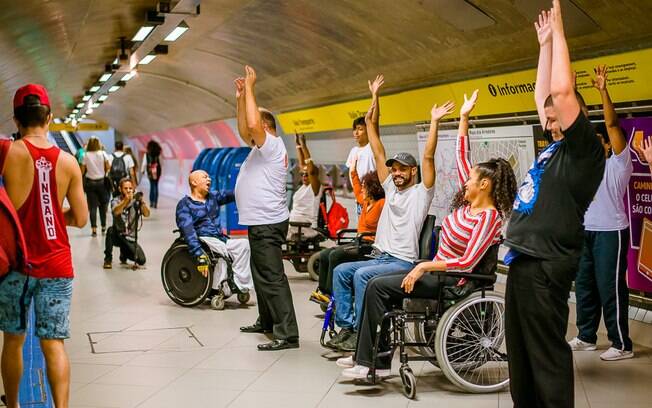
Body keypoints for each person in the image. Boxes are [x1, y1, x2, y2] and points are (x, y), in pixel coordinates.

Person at [339, 90, 518, 379]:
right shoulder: (470, 202)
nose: (466, 180)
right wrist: (463, 116)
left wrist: (423, 265)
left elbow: (468, 262)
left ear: (484, 185)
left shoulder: (488, 218)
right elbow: (462, 156)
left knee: (377, 287)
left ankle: (372, 363)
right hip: (436, 274)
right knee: (375, 286)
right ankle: (371, 360)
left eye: (472, 179)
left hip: (451, 281)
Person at [503, 3, 606, 407]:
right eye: (546, 119)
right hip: (525, 261)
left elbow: (562, 92)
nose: (548, 122)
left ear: (576, 115)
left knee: (546, 358)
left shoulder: (583, 152)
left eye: (556, 116)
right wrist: (543, 45)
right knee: (523, 357)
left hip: (547, 265)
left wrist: (561, 33)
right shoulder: (555, 146)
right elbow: (545, 95)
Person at [327, 75, 445, 352]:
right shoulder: (390, 187)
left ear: (412, 171)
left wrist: (435, 122)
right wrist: (374, 100)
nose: (396, 173)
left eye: (402, 169)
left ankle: (359, 332)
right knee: (341, 271)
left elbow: (428, 157)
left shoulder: (421, 194)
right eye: (394, 169)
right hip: (380, 256)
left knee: (359, 276)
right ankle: (347, 328)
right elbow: (377, 144)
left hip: (401, 261)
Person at [0, 84, 87, 408]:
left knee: (13, 340)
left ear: (16, 119)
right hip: (56, 265)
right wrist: (49, 215)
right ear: (49, 118)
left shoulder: (6, 152)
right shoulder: (67, 162)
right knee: (54, 344)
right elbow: (80, 218)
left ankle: (13, 406)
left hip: (15, 265)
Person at [569, 65, 634, 361]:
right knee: (584, 285)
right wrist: (569, 94)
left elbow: (611, 123)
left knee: (610, 287)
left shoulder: (618, 164)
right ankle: (586, 336)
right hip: (586, 231)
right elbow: (575, 123)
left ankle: (621, 344)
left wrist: (603, 91)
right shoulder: (583, 165)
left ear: (607, 145)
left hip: (611, 232)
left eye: (598, 141)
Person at [233, 66, 300, 351]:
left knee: (272, 277)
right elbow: (243, 129)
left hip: (268, 223)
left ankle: (287, 333)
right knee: (260, 275)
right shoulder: (259, 149)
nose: (251, 130)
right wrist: (240, 98)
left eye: (257, 125)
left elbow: (252, 125)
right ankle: (268, 321)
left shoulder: (273, 146)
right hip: (259, 222)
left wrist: (251, 88)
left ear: (266, 127)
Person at [310, 165, 385, 304]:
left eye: (365, 186)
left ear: (373, 188)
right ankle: (324, 291)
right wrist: (353, 172)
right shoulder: (365, 201)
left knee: (336, 255)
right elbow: (356, 188)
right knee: (325, 254)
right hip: (359, 242)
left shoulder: (381, 204)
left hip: (369, 245)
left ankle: (333, 292)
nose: (362, 189)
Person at [176, 170, 253, 296]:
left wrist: (247, 188)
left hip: (219, 238)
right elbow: (188, 231)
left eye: (209, 177)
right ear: (194, 182)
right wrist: (198, 253)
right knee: (221, 250)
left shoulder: (213, 197)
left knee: (243, 244)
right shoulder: (185, 205)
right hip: (203, 239)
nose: (209, 179)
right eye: (205, 177)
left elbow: (231, 194)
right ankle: (220, 287)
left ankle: (240, 284)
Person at [103, 178, 150, 269]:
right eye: (126, 188)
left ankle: (124, 253)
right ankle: (108, 259)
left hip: (130, 238)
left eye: (130, 188)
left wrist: (142, 202)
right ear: (120, 189)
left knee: (141, 260)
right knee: (110, 231)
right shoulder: (115, 201)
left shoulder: (135, 202)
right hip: (118, 235)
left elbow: (147, 214)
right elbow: (116, 212)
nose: (128, 190)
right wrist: (126, 201)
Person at [287, 133, 321, 240]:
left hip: (306, 228)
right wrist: (298, 146)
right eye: (302, 174)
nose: (304, 176)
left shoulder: (315, 187)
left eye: (307, 175)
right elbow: (303, 166)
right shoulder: (303, 187)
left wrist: (304, 145)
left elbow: (310, 169)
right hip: (294, 225)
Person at [81, 136, 110, 236]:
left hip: (90, 183)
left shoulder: (86, 155)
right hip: (102, 182)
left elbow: (82, 170)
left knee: (93, 207)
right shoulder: (103, 154)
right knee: (103, 206)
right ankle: (103, 227)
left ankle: (93, 229)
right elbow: (108, 167)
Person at [141, 140, 162, 208]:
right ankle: (155, 202)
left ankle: (151, 202)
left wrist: (142, 170)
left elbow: (144, 163)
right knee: (156, 186)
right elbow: (161, 163)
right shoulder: (158, 154)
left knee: (152, 186)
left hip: (150, 171)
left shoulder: (146, 154)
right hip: (157, 171)